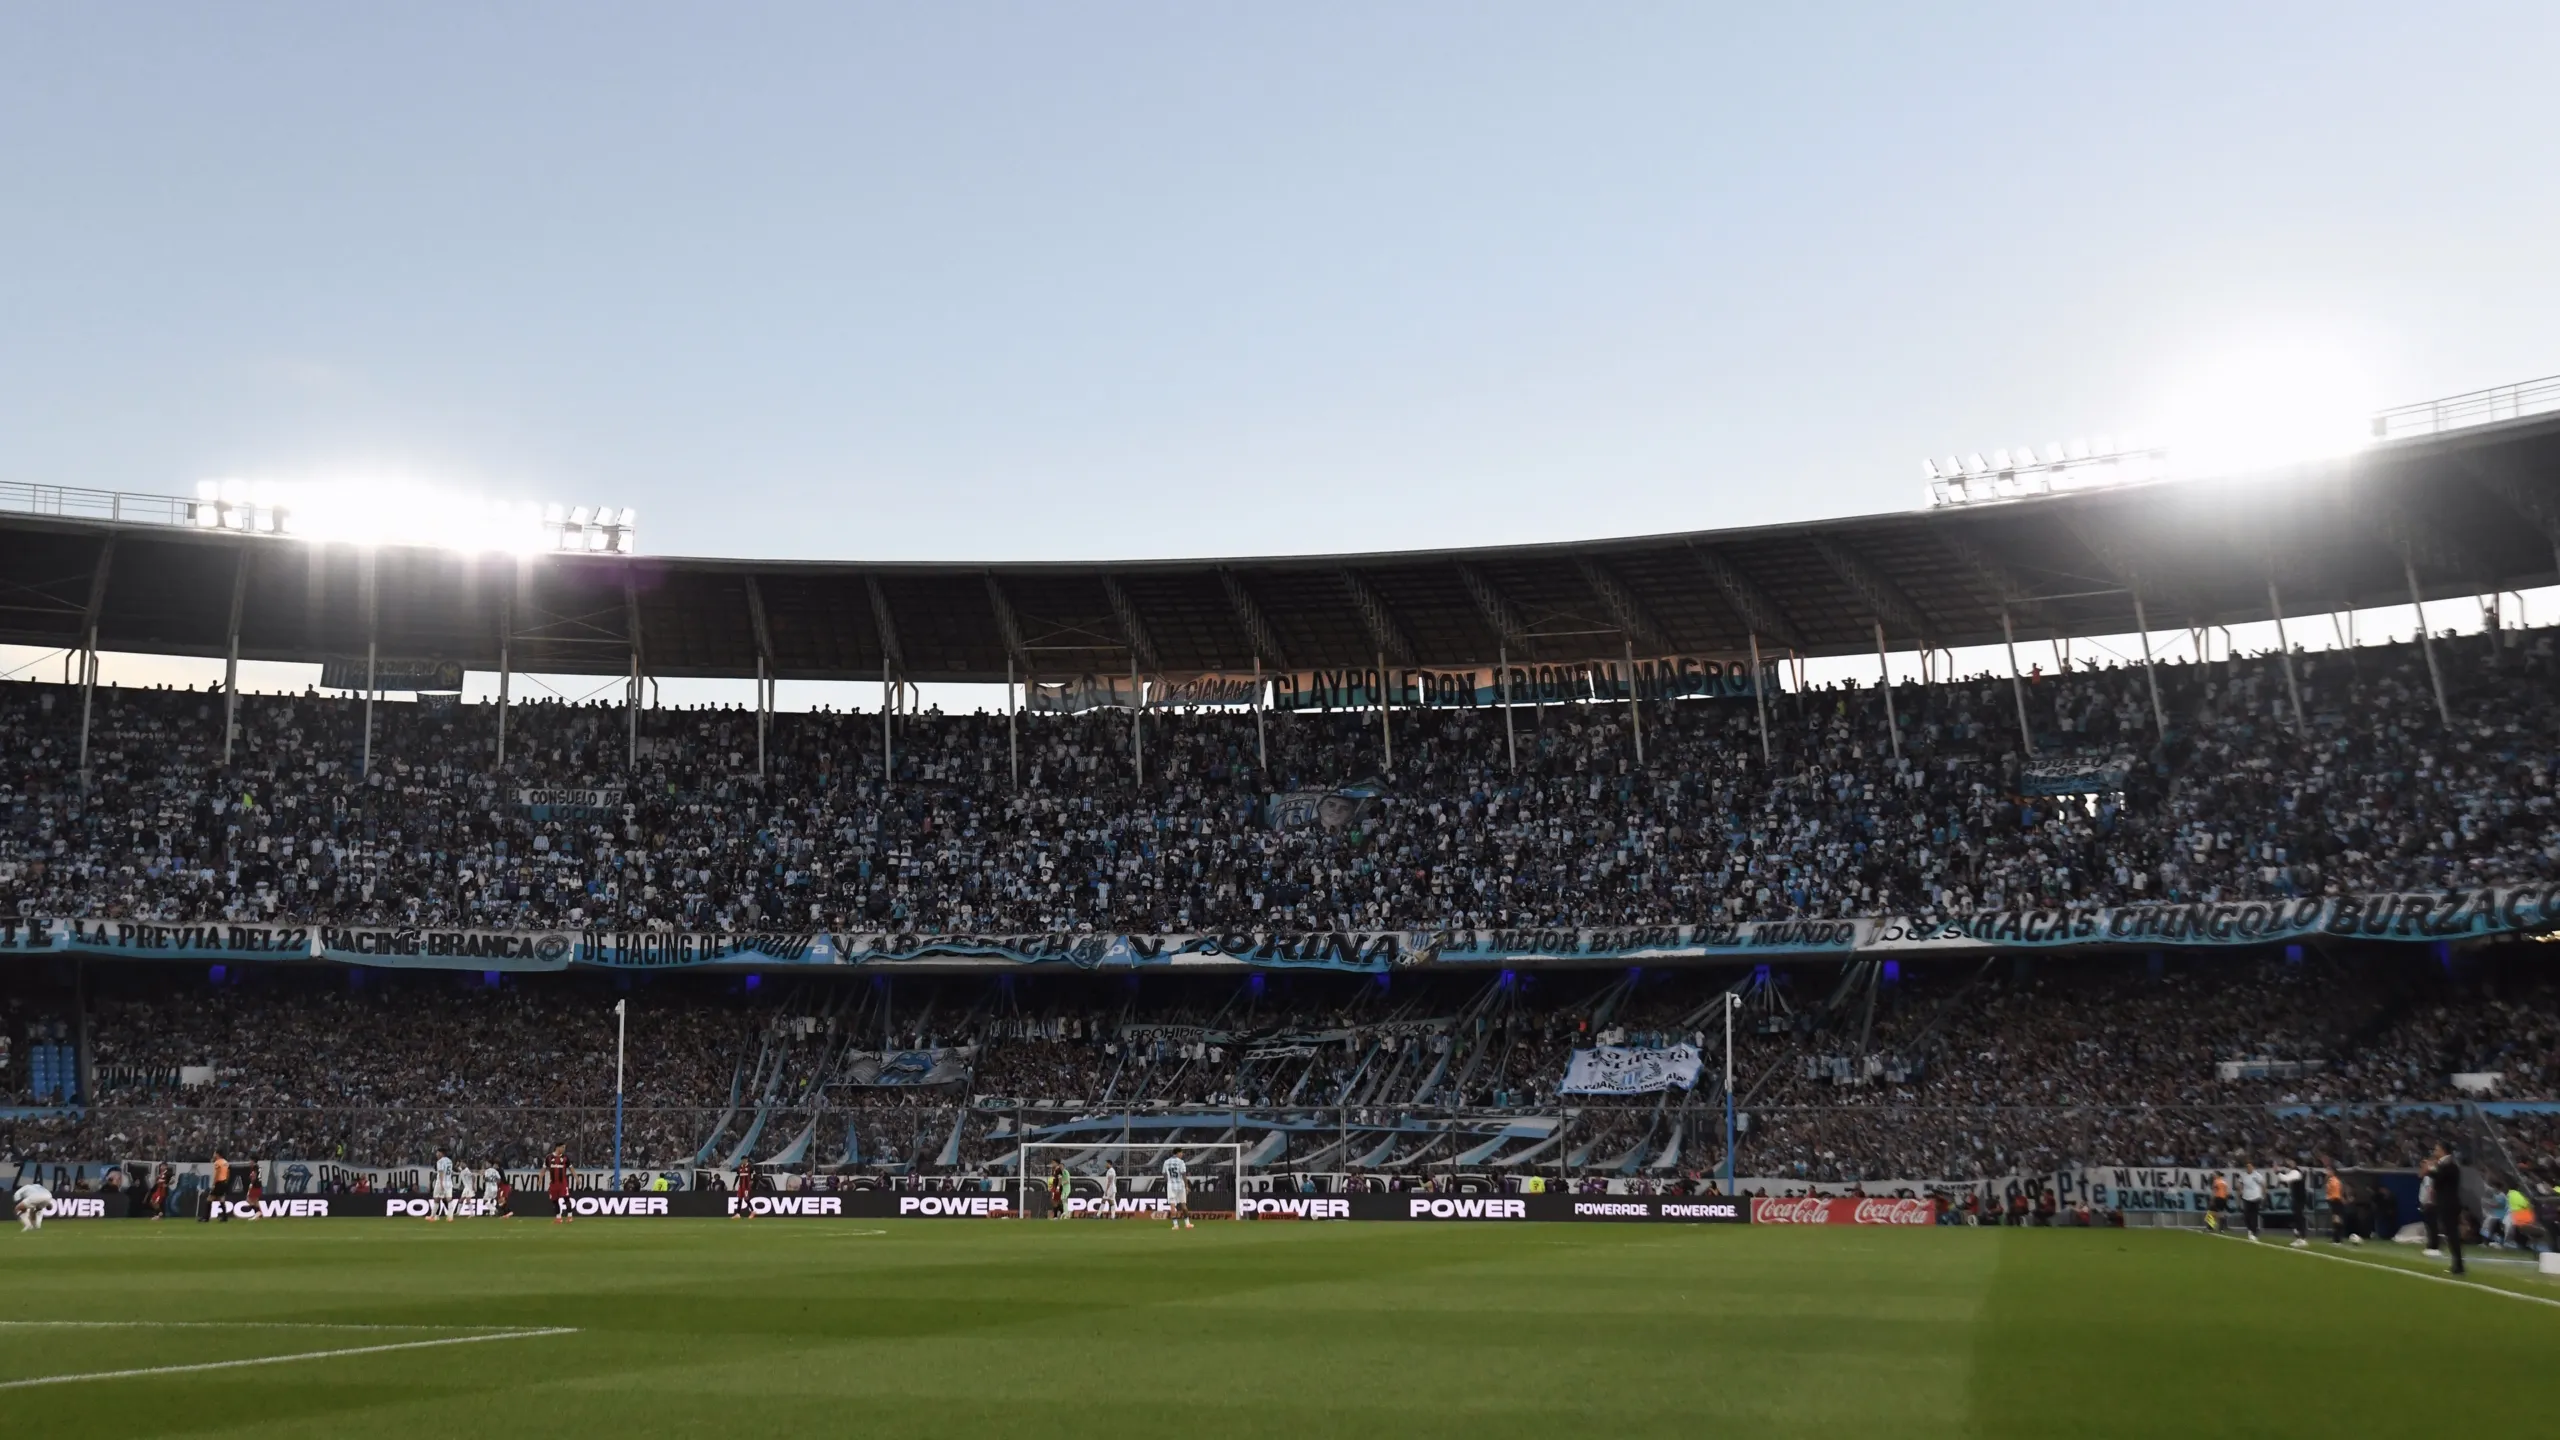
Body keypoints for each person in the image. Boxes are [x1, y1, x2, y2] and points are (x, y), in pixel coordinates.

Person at [2428, 1148, 2465, 1276]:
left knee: (2452, 1233)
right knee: (2450, 1233)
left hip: (2448, 1204)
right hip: (2447, 1203)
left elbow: (2439, 1178)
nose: (2435, 1151)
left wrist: (2431, 1169)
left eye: (2437, 1149)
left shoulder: (2450, 1166)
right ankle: (2457, 1264)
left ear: (2443, 1150)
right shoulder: (2446, 1166)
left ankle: (2458, 1265)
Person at [2278, 1163, 2309, 1248]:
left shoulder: (2296, 1172)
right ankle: (2299, 1238)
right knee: (2297, 1218)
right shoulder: (2294, 1172)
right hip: (2297, 1198)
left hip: (2299, 1199)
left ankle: (2303, 1238)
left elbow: (2286, 1178)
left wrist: (2277, 1172)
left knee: (2299, 1218)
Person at [1163, 1151, 1191, 1231]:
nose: (1182, 1154)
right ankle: (1187, 1224)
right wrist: (1186, 1186)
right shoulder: (1181, 1162)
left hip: (1171, 1186)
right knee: (1183, 1205)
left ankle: (1175, 1225)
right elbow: (1184, 1174)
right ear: (1177, 1153)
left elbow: (1164, 1174)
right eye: (1181, 1153)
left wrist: (1168, 1181)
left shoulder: (1166, 1162)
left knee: (1172, 1206)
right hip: (1180, 1185)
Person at [545, 1144, 573, 1223]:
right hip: (553, 1184)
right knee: (555, 1201)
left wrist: (576, 1177)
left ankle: (570, 1216)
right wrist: (540, 1177)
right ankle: (558, 1218)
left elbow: (571, 1168)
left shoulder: (565, 1157)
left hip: (563, 1183)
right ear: (558, 1147)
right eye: (563, 1147)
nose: (564, 1149)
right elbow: (544, 1168)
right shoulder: (549, 1157)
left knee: (566, 1199)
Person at [2238, 1163, 2266, 1242]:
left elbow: (2263, 1184)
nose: (2249, 1168)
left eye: (2250, 1166)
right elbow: (2240, 1184)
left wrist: (2263, 1195)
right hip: (2246, 1197)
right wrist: (2240, 1192)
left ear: (2253, 1167)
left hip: (2256, 1197)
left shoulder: (2257, 1175)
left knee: (2254, 1215)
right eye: (2247, 1167)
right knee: (2246, 1215)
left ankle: (2254, 1232)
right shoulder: (2243, 1175)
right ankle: (2250, 1229)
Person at [432, 1149, 457, 1222]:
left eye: (437, 1153)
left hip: (441, 1182)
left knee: (436, 1199)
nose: (436, 1154)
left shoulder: (440, 1161)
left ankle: (434, 1216)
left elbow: (441, 1172)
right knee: (449, 1199)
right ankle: (450, 1217)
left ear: (441, 1153)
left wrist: (441, 1183)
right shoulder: (449, 1161)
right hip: (449, 1182)